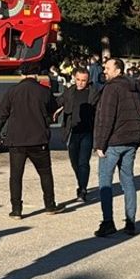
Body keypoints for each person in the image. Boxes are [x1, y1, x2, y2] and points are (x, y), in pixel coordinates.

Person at [0, 62, 64, 219]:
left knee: (16, 176)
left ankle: (17, 210)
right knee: (45, 173)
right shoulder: (44, 92)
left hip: (16, 141)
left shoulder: (13, 91)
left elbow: (2, 114)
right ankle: (50, 205)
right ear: (37, 74)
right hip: (38, 140)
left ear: (22, 74)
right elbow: (53, 110)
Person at [94, 58, 140, 237]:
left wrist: (100, 144)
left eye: (107, 68)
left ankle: (108, 222)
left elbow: (106, 118)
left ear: (117, 70)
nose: (104, 71)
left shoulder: (111, 88)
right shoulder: (135, 86)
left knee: (105, 182)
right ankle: (130, 222)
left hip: (113, 141)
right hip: (131, 140)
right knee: (128, 181)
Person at [54, 66, 98, 202]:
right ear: (74, 78)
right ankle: (81, 183)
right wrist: (57, 109)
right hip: (73, 131)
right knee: (74, 161)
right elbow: (59, 101)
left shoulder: (94, 93)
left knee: (83, 162)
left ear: (88, 80)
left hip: (87, 132)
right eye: (78, 80)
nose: (80, 83)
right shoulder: (70, 91)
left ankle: (82, 190)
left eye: (83, 80)